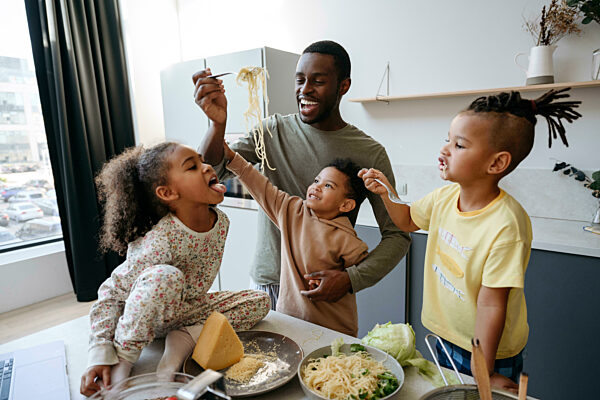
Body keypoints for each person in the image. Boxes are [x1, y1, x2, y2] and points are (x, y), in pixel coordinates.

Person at [359, 88, 582, 391]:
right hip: (445, 337)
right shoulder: (445, 197)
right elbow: (408, 220)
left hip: (489, 351)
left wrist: (484, 371)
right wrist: (387, 193)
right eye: (447, 140)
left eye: (459, 144)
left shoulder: (506, 225)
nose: (445, 150)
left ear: (496, 163)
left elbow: (492, 306)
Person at [193, 40, 411, 309]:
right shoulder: (271, 131)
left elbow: (398, 235)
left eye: (317, 81)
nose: (304, 90)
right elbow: (210, 173)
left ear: (343, 86)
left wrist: (350, 279)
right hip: (268, 283)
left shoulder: (370, 152)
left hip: (320, 289)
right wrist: (217, 124)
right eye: (299, 80)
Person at [80, 142, 270, 396]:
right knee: (166, 277)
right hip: (144, 319)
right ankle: (124, 361)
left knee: (260, 300)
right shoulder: (161, 238)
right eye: (192, 166)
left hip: (186, 310)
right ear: (167, 193)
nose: (205, 168)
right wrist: (100, 352)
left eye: (203, 161)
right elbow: (113, 293)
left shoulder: (221, 221)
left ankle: (184, 337)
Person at [223, 142, 369, 336]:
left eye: (327, 185)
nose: (316, 187)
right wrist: (231, 157)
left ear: (346, 205)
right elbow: (259, 184)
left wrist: (344, 281)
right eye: (316, 180)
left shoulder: (348, 240)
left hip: (334, 330)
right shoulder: (292, 211)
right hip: (290, 322)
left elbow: (363, 272)